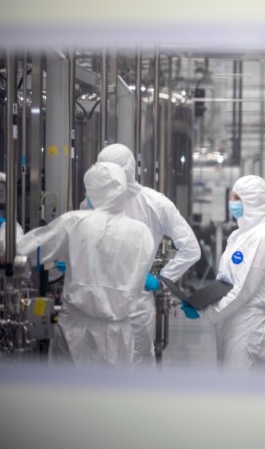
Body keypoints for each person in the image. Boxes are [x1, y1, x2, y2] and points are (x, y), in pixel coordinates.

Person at [0, 162, 155, 367]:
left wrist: (6, 227)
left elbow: (23, 250)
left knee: (68, 395)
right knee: (112, 396)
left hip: (75, 332)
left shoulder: (75, 222)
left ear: (93, 191)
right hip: (119, 335)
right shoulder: (142, 233)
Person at [93, 144, 201, 368]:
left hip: (134, 305)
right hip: (97, 303)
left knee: (135, 370)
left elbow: (191, 247)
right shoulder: (93, 200)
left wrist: (160, 280)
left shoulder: (155, 203)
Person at [181, 175, 265, 371]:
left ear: (253, 201)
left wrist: (208, 312)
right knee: (229, 387)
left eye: (238, 198)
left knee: (243, 389)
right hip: (229, 319)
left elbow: (244, 289)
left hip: (247, 324)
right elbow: (226, 280)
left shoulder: (264, 237)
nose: (232, 203)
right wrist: (202, 300)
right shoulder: (239, 235)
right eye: (232, 197)